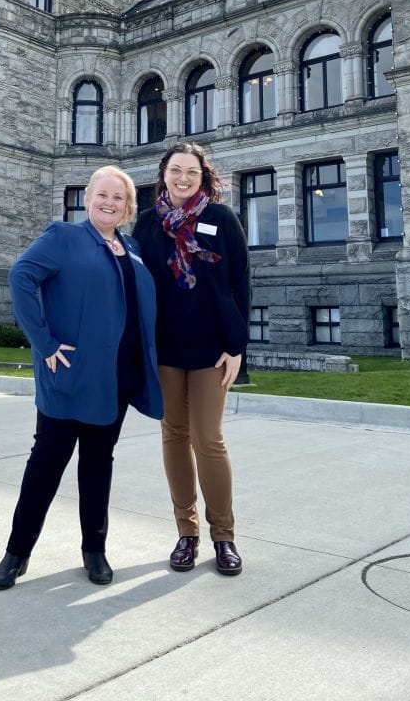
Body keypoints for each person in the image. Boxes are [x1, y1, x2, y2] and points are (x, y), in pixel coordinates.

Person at [0, 165, 163, 590]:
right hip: (69, 374)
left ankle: (94, 551)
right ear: (88, 200)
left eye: (118, 198)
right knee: (46, 465)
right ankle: (16, 553)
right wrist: (44, 342)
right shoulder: (64, 237)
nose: (109, 202)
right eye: (102, 195)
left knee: (97, 465)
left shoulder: (133, 247)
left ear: (128, 207)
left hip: (117, 378)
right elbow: (21, 277)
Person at [133, 142, 249, 576]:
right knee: (173, 435)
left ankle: (224, 537)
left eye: (192, 172)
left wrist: (238, 346)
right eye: (176, 170)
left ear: (204, 178)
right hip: (164, 349)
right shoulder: (147, 224)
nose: (183, 178)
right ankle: (187, 533)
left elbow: (240, 282)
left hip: (212, 350)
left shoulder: (220, 218)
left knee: (209, 439)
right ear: (163, 174)